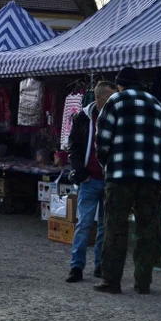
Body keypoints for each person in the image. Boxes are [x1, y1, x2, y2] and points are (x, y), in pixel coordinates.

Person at [94, 67, 161, 295]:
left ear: (120, 84)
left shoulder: (114, 102)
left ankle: (112, 281)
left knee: (115, 229)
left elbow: (102, 141)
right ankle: (143, 282)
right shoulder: (156, 104)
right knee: (147, 231)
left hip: (120, 177)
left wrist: (107, 165)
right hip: (150, 179)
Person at [65, 81, 113, 283]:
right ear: (99, 98)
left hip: (110, 179)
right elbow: (73, 146)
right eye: (110, 98)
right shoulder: (83, 118)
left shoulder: (115, 117)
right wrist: (81, 172)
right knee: (84, 223)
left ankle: (100, 265)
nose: (113, 101)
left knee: (104, 225)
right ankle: (76, 267)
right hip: (90, 178)